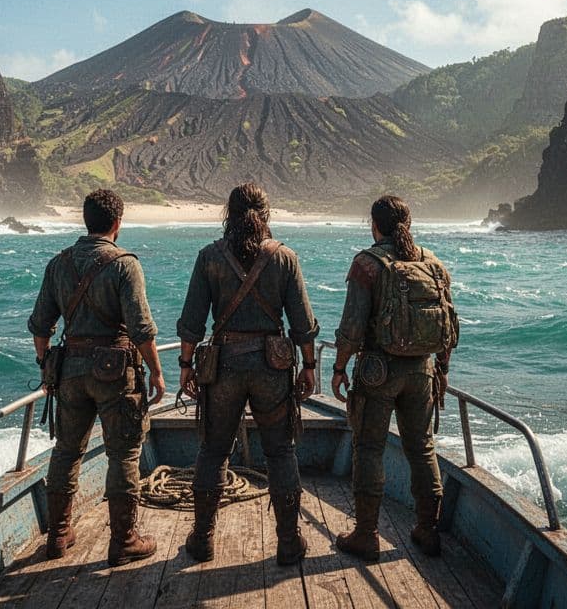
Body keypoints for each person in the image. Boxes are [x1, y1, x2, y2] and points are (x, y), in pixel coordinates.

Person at [176, 183, 320, 566]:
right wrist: (309, 367)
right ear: (266, 214)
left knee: (213, 450)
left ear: (229, 214)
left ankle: (203, 539)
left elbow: (191, 323)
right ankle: (289, 541)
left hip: (223, 367)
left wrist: (185, 366)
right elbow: (303, 324)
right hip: (273, 369)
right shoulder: (285, 258)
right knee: (280, 451)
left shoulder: (209, 257)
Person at [28, 189, 167, 567]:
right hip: (114, 372)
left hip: (69, 371)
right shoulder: (125, 264)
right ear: (117, 224)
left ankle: (58, 535)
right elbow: (141, 329)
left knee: (67, 451)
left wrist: (46, 363)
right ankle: (124, 540)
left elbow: (40, 325)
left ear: (86, 220)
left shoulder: (59, 264)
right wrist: (155, 371)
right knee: (123, 453)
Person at [330, 195, 458, 561]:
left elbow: (352, 327)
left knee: (369, 448)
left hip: (377, 372)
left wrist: (339, 369)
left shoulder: (367, 264)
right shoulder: (432, 263)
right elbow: (448, 326)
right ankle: (427, 529)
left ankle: (366, 534)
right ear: (409, 223)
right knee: (422, 448)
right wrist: (442, 371)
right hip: (423, 372)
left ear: (375, 225)